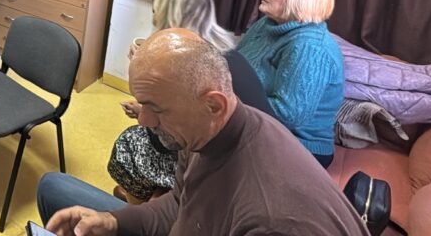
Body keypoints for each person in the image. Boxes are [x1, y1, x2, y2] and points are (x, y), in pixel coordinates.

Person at [42, 29, 368, 236]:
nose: (145, 121)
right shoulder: (205, 131)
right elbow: (180, 203)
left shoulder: (271, 220)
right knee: (54, 188)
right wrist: (114, 223)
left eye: (157, 108)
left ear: (213, 104)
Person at [107, 0, 274, 204]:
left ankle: (138, 202)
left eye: (157, 11)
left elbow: (165, 140)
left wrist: (144, 71)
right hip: (251, 149)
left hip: (231, 166)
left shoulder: (188, 67)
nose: (154, 18)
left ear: (171, 20)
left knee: (129, 144)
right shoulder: (223, 52)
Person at [237, 0, 344, 167]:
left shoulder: (310, 47)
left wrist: (229, 98)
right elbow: (236, 64)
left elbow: (288, 116)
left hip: (298, 147)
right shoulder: (267, 24)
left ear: (300, 0)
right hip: (255, 126)